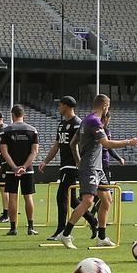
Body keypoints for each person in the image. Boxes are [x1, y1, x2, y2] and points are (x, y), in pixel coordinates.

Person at [60, 95, 137, 249]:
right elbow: (106, 143)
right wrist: (128, 142)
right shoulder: (93, 121)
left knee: (107, 200)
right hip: (90, 167)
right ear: (105, 105)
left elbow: (73, 143)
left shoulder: (86, 120)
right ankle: (66, 233)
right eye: (108, 106)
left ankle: (101, 237)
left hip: (97, 168)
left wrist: (77, 160)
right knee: (88, 201)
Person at [38, 96, 97, 241]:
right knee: (71, 200)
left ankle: (61, 230)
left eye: (60, 105)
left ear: (67, 106)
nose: (58, 108)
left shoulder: (78, 124)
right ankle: (92, 220)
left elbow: (80, 145)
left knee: (61, 196)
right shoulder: (62, 124)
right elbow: (57, 145)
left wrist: (80, 163)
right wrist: (45, 161)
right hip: (64, 165)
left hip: (73, 165)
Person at [0, 104, 39, 236]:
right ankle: (30, 227)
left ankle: (13, 228)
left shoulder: (6, 130)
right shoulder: (32, 130)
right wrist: (25, 167)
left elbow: (4, 152)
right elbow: (34, 152)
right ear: (23, 115)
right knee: (28, 197)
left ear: (12, 115)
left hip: (11, 169)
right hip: (28, 169)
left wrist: (15, 167)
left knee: (12, 198)